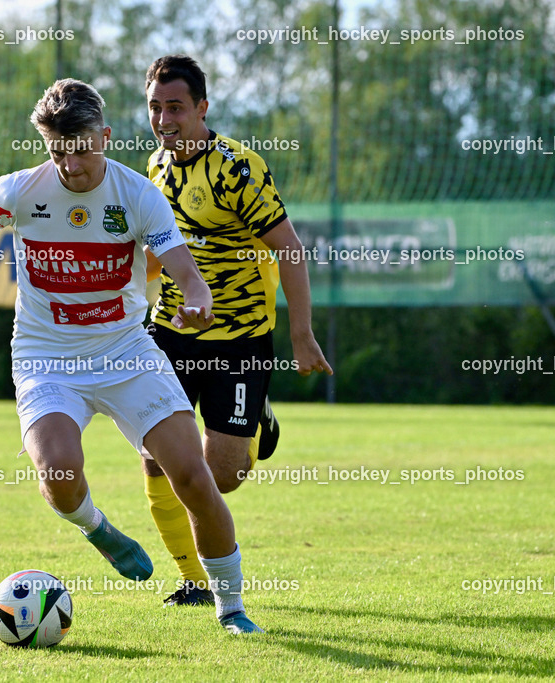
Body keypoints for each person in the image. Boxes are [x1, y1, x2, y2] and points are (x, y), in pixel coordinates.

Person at [0, 78, 262, 633]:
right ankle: (97, 529)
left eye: (81, 150)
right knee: (58, 473)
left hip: (127, 352)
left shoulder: (136, 196)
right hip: (46, 358)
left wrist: (198, 299)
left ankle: (232, 610)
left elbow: (183, 269)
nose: (70, 167)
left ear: (103, 137)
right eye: (58, 152)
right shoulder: (20, 192)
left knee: (194, 479)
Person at [140, 55, 334, 607]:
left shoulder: (236, 168)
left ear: (202, 107)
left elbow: (289, 250)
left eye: (175, 107)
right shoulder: (154, 169)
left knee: (221, 478)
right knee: (159, 458)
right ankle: (194, 582)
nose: (164, 119)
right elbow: (160, 254)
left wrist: (301, 334)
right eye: (155, 107)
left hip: (241, 340)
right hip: (171, 332)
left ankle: (256, 417)